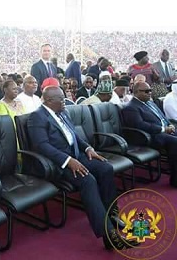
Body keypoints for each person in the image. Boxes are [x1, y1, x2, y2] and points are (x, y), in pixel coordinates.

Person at [28, 86, 138, 250]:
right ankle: (109, 236)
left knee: (106, 168)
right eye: (61, 98)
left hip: (77, 156)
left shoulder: (62, 112)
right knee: (88, 180)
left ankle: (111, 214)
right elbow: (42, 146)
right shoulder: (37, 117)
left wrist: (88, 149)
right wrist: (68, 160)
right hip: (58, 163)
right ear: (50, 101)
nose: (65, 101)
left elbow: (75, 136)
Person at [122, 82, 177, 187]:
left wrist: (170, 125)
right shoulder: (131, 107)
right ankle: (175, 179)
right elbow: (140, 125)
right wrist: (163, 129)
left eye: (150, 90)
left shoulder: (150, 103)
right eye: (146, 91)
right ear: (136, 92)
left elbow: (162, 117)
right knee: (174, 142)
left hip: (164, 131)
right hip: (150, 136)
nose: (150, 93)